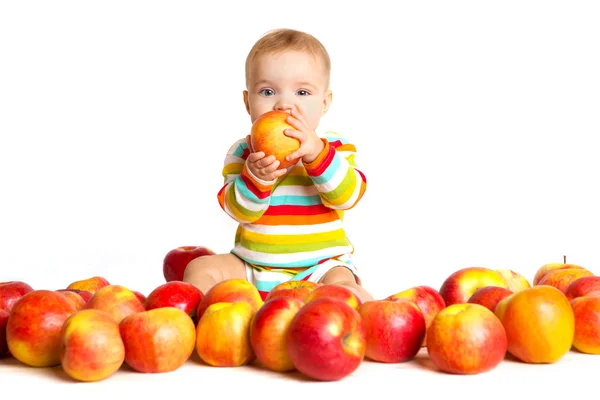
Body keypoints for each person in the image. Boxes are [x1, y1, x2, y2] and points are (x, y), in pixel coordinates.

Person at [183, 28, 373, 302]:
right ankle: (200, 321)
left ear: (324, 103)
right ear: (248, 103)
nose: (284, 104)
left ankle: (359, 322)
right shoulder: (245, 152)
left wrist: (317, 156)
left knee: (344, 285)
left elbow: (348, 196)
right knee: (199, 267)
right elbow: (239, 211)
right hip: (252, 267)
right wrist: (256, 177)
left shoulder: (335, 149)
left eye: (302, 92)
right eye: (268, 91)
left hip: (319, 269)